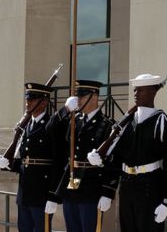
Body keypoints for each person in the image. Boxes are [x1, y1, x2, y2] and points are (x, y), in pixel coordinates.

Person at [87, 73, 167, 232]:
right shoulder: (126, 123)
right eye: (135, 90)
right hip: (127, 186)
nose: (135, 94)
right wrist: (107, 188)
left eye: (140, 90)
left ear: (152, 92)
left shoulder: (163, 123)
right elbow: (116, 160)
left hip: (150, 188)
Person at [45, 80, 118, 232]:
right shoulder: (74, 121)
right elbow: (50, 129)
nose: (77, 101)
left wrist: (108, 191)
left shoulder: (106, 125)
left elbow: (114, 161)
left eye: (81, 97)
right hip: (72, 183)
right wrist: (65, 110)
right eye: (76, 97)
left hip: (92, 186)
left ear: (94, 97)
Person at [0, 82, 59, 232]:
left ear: (44, 102)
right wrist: (8, 164)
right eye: (27, 99)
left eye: (32, 99)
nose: (27, 103)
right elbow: (25, 160)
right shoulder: (26, 126)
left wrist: (53, 195)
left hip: (41, 193)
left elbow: (57, 162)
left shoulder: (51, 125)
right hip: (24, 193)